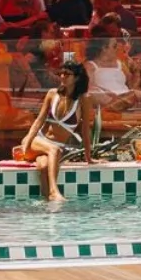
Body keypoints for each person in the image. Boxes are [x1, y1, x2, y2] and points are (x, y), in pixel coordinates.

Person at [18, 59, 98, 203]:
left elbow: (85, 130)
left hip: (52, 149)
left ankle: (47, 203)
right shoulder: (52, 94)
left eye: (66, 74)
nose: (62, 76)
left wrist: (88, 157)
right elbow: (39, 121)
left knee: (43, 166)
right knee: (54, 150)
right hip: (37, 141)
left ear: (77, 77)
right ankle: (55, 192)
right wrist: (26, 144)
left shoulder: (84, 99)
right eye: (60, 73)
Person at [83, 36, 140, 110]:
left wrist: (136, 72)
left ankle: (118, 104)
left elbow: (132, 86)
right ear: (104, 48)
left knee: (139, 94)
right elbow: (89, 87)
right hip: (106, 97)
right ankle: (116, 105)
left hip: (125, 95)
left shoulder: (121, 64)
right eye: (114, 46)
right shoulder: (90, 65)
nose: (118, 48)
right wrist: (107, 93)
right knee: (92, 94)